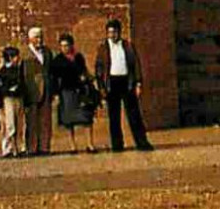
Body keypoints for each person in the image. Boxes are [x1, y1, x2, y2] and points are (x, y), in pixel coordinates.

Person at [94, 19, 155, 152]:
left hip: (127, 82)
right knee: (114, 116)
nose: (112, 35)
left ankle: (141, 142)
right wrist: (101, 87)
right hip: (111, 83)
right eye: (110, 32)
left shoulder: (127, 46)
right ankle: (117, 144)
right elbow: (99, 69)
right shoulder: (103, 48)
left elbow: (135, 65)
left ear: (119, 32)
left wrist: (138, 83)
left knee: (134, 114)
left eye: (114, 32)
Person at [50, 33, 98, 153]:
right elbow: (54, 78)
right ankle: (73, 146)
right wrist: (55, 93)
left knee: (86, 118)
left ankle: (90, 144)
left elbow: (84, 70)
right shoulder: (57, 61)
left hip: (81, 90)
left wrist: (86, 79)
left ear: (71, 45)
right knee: (69, 120)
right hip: (66, 91)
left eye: (67, 45)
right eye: (62, 46)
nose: (65, 48)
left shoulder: (78, 57)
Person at [21, 26, 55, 156]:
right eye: (37, 37)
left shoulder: (47, 52)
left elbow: (50, 71)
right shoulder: (25, 54)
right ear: (30, 39)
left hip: (46, 89)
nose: (39, 40)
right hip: (32, 90)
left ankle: (44, 147)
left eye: (41, 37)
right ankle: (32, 148)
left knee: (45, 120)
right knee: (32, 121)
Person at [0, 46, 27, 158]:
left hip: (18, 98)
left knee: (20, 124)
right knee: (10, 124)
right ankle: (8, 148)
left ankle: (20, 147)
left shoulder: (18, 70)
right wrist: (9, 90)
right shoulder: (2, 72)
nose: (18, 58)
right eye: (15, 56)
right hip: (8, 99)